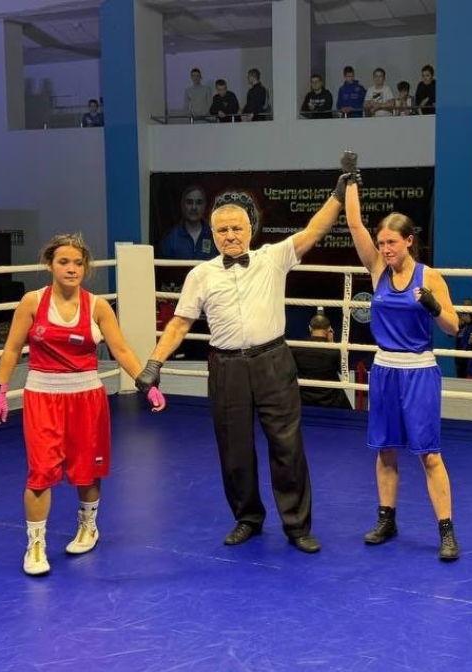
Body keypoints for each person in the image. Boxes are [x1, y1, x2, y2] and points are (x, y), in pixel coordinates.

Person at [135, 154, 361, 554]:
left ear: (250, 229)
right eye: (222, 229)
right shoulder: (200, 275)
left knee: (287, 446)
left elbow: (314, 230)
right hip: (227, 367)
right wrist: (154, 363)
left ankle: (297, 526)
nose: (230, 235)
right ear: (213, 233)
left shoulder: (272, 257)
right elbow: (179, 324)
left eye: (236, 227)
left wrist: (339, 193)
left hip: (273, 361)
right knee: (234, 449)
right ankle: (247, 518)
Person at [0, 233, 166, 576]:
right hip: (42, 396)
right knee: (40, 472)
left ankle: (88, 526)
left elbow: (121, 349)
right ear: (49, 265)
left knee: (87, 468)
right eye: (63, 262)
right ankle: (35, 544)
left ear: (86, 268)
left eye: (78, 263)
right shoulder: (33, 302)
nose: (71, 269)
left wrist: (147, 385)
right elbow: (12, 349)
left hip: (86, 398)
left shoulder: (97, 306)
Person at [344, 177, 461, 560]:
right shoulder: (377, 268)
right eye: (382, 243)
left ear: (409, 241)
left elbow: (453, 327)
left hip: (419, 370)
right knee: (385, 450)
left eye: (392, 242)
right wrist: (350, 182)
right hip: (384, 369)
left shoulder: (430, 277)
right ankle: (386, 519)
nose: (385, 249)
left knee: (430, 455)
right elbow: (355, 225)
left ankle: (446, 531)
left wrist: (433, 307)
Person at [290, 311, 352, 409]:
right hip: (331, 401)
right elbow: (344, 372)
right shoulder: (334, 351)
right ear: (329, 330)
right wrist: (332, 344)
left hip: (305, 399)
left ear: (310, 328)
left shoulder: (297, 348)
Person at [159, 185, 216, 260]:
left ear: (204, 205)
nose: (194, 207)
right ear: (182, 205)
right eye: (189, 202)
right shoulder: (170, 238)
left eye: (199, 203)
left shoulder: (214, 235)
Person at [454, 297, 472, 378]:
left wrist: (469, 322)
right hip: (459, 355)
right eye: (464, 305)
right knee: (460, 377)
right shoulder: (459, 319)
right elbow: (450, 334)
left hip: (471, 355)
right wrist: (457, 325)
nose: (466, 307)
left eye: (468, 305)